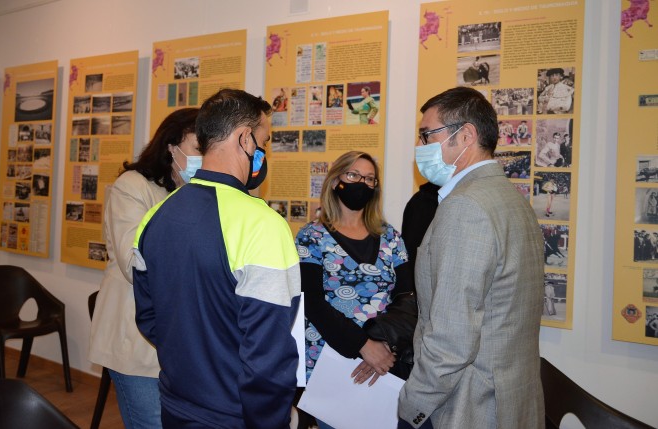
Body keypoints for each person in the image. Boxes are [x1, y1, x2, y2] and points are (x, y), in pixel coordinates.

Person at [132, 89, 300, 428]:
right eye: (262, 141)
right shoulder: (263, 223)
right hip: (237, 415)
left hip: (177, 405)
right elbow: (269, 351)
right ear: (244, 139)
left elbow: (150, 318)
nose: (262, 152)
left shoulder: (155, 217)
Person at [398, 87, 545, 429]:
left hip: (470, 405)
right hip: (510, 398)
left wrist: (412, 405)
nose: (421, 147)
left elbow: (452, 339)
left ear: (465, 136)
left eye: (427, 135)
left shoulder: (466, 207)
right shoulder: (511, 199)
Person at [89, 108, 201, 429]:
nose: (203, 159)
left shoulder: (201, 193)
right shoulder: (133, 185)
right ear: (171, 146)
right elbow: (133, 262)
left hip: (180, 346)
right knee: (150, 423)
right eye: (197, 148)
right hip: (135, 343)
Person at [295, 151, 413, 428]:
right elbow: (312, 302)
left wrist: (384, 347)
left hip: (384, 361)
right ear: (336, 181)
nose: (362, 182)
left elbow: (407, 299)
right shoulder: (311, 237)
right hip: (330, 365)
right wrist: (363, 346)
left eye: (369, 178)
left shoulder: (391, 237)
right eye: (353, 175)